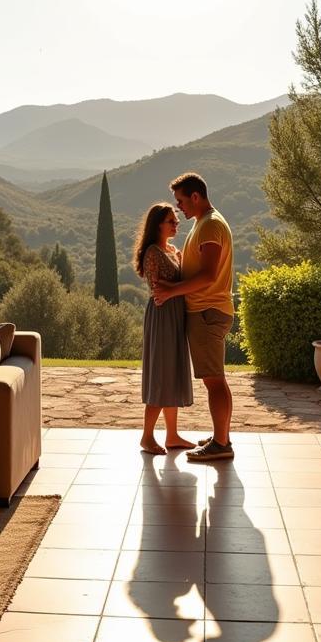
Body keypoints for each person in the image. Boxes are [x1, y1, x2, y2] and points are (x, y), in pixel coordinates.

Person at [152, 172, 236, 462]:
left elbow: (208, 275)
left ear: (196, 197)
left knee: (214, 381)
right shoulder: (204, 223)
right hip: (206, 312)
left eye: (181, 201)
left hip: (207, 312)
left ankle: (221, 445)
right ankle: (221, 436)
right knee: (215, 380)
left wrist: (173, 290)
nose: (179, 208)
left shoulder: (210, 226)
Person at [133, 203, 194, 455]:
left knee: (172, 374)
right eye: (171, 221)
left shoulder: (174, 251)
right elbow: (157, 291)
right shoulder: (152, 253)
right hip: (162, 316)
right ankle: (147, 437)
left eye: (176, 220)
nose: (176, 224)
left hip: (175, 315)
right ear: (158, 224)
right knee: (160, 375)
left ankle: (172, 435)